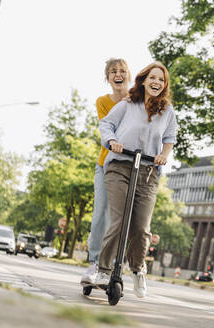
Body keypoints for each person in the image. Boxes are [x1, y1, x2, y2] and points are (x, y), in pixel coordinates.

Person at [95, 61, 177, 298]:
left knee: (141, 228)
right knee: (119, 221)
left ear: (164, 85)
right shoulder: (128, 104)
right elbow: (106, 124)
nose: (156, 82)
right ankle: (103, 269)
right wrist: (112, 142)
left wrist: (164, 155)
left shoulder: (167, 111)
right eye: (153, 77)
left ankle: (139, 268)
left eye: (161, 80)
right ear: (143, 80)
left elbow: (169, 138)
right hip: (120, 166)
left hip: (148, 172)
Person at [81, 58, 131, 285]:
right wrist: (113, 141)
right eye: (113, 72)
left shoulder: (137, 101)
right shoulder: (103, 101)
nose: (117, 74)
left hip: (128, 165)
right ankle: (94, 262)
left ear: (128, 75)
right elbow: (108, 128)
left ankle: (108, 264)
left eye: (121, 71)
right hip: (106, 164)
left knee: (117, 218)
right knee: (100, 212)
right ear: (108, 77)